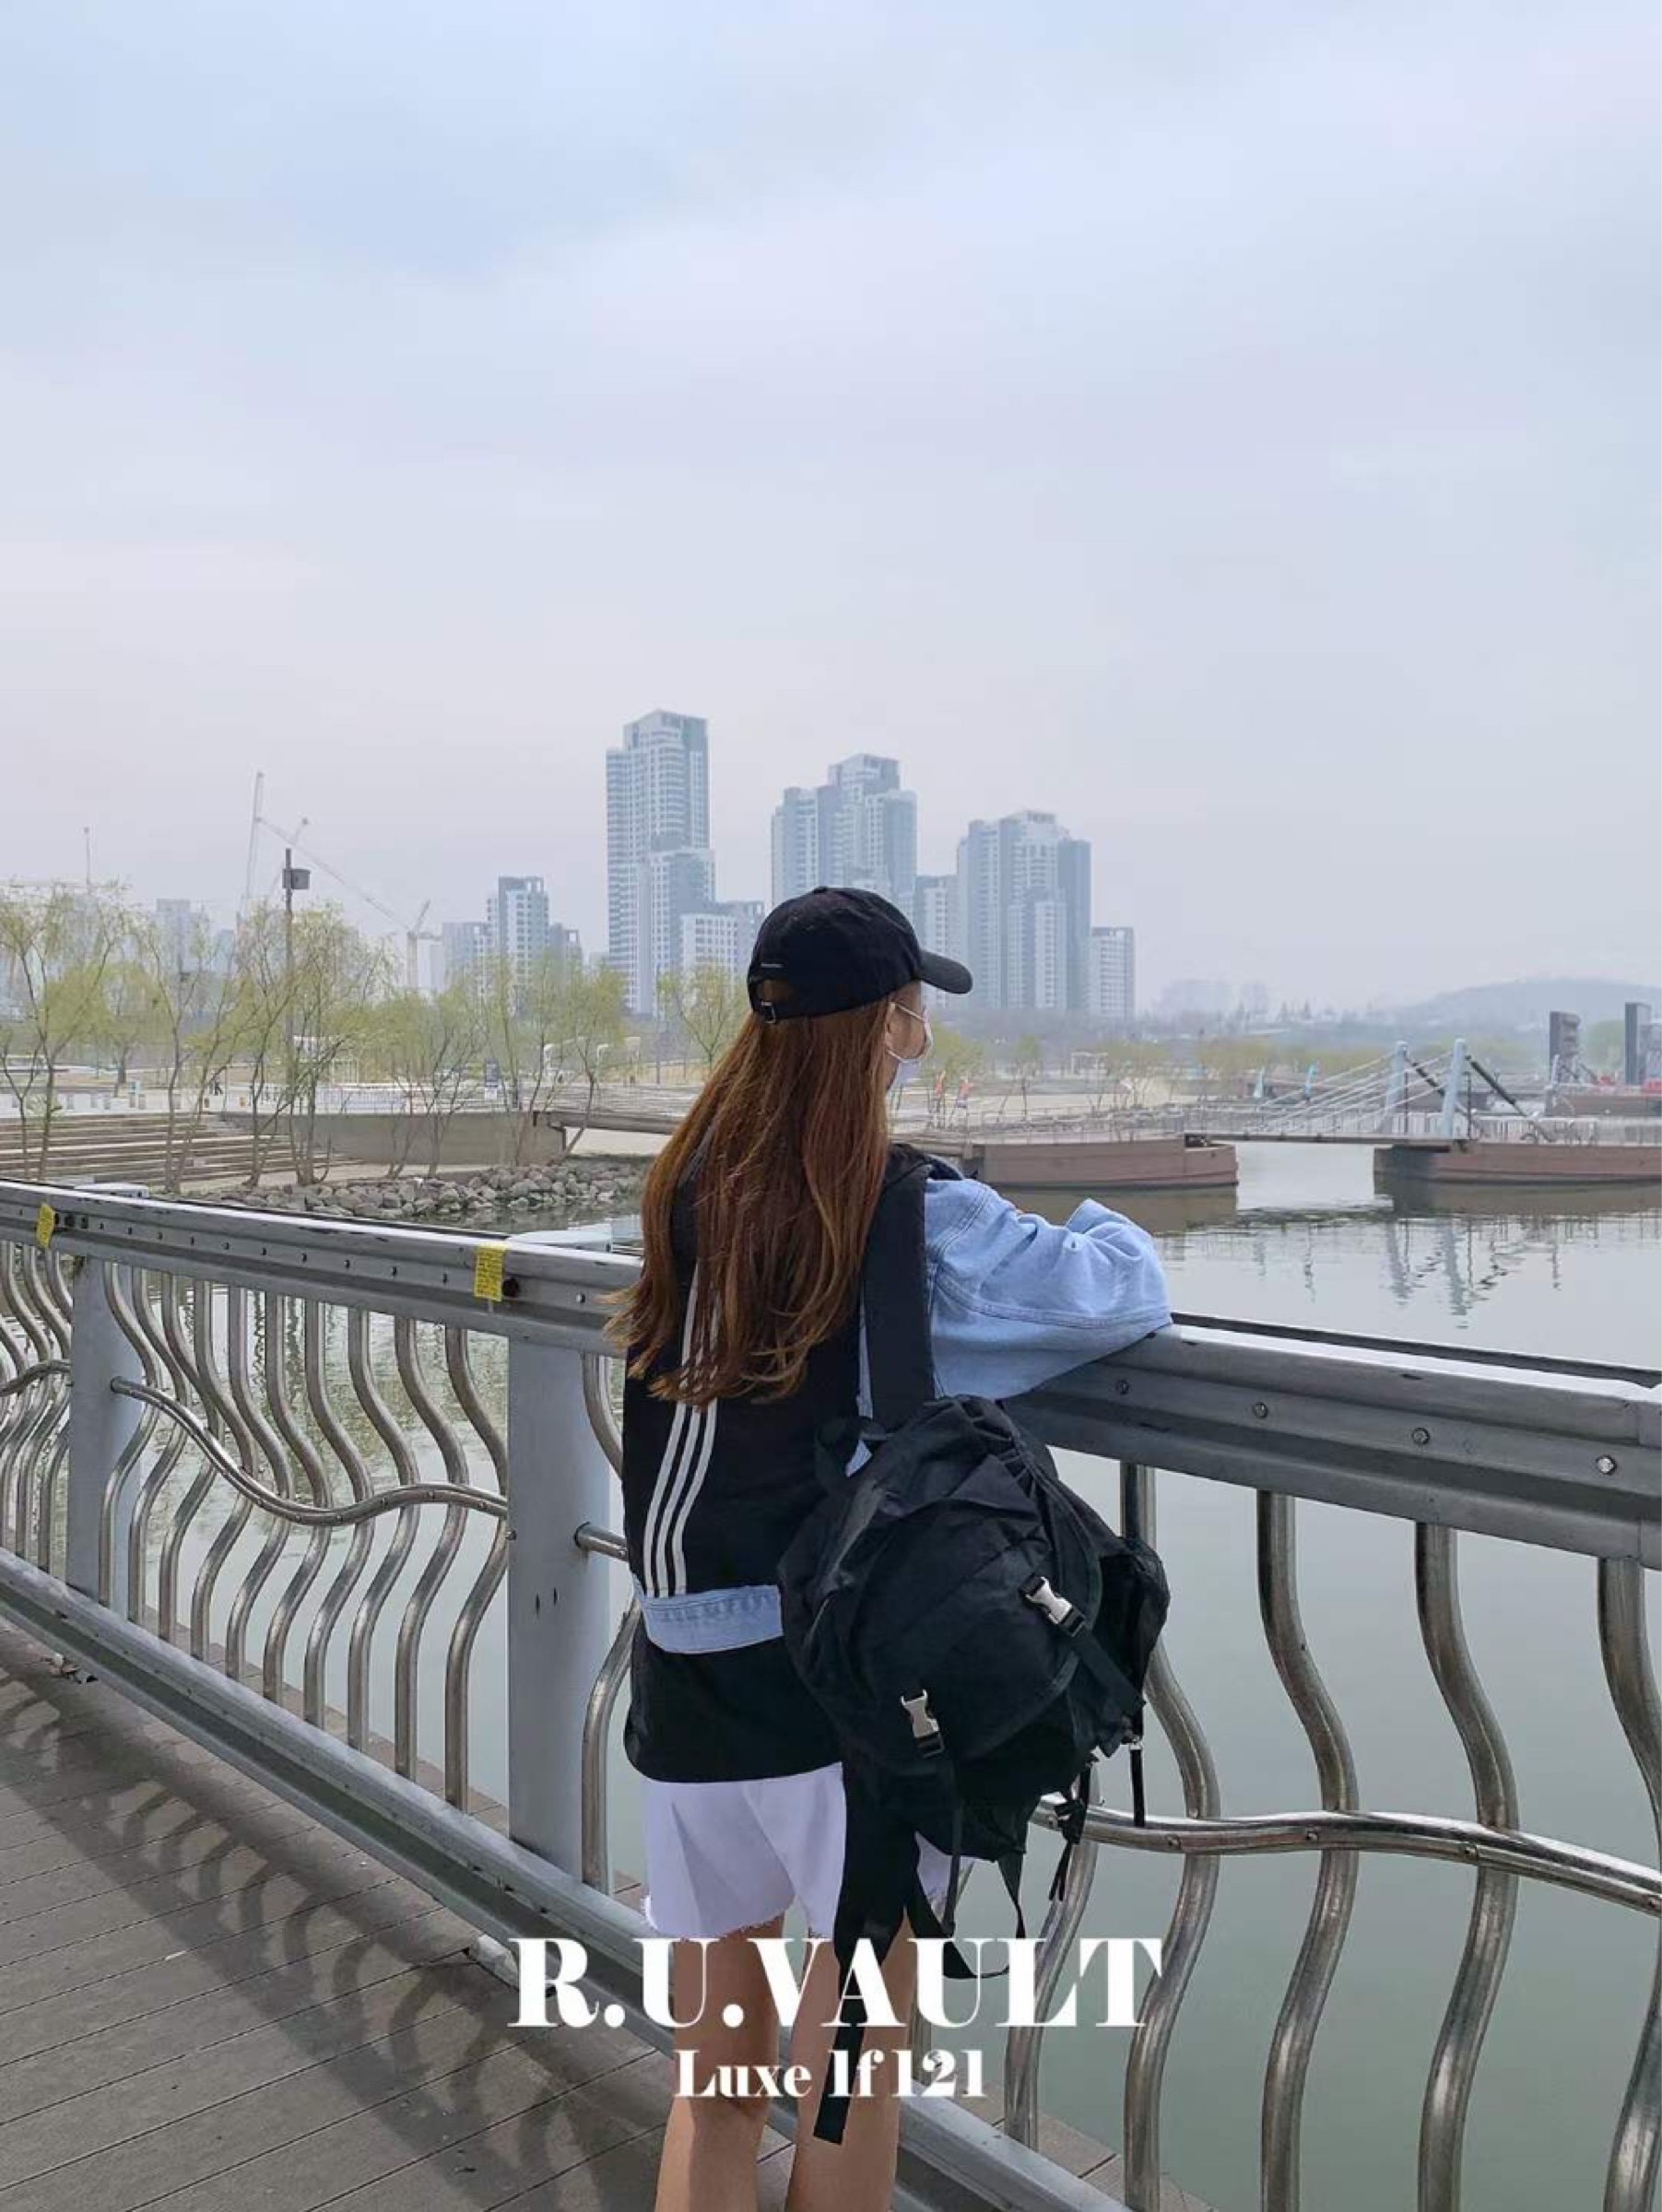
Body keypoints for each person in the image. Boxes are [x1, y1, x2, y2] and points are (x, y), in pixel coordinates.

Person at [612, 886, 1172, 2212]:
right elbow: (1117, 1291)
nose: (923, 1032)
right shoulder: (903, 1205)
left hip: (681, 1660)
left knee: (715, 2082)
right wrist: (1107, 1217)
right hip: (834, 1677)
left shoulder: (685, 1183)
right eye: (916, 1011)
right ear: (891, 1028)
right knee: (851, 2081)